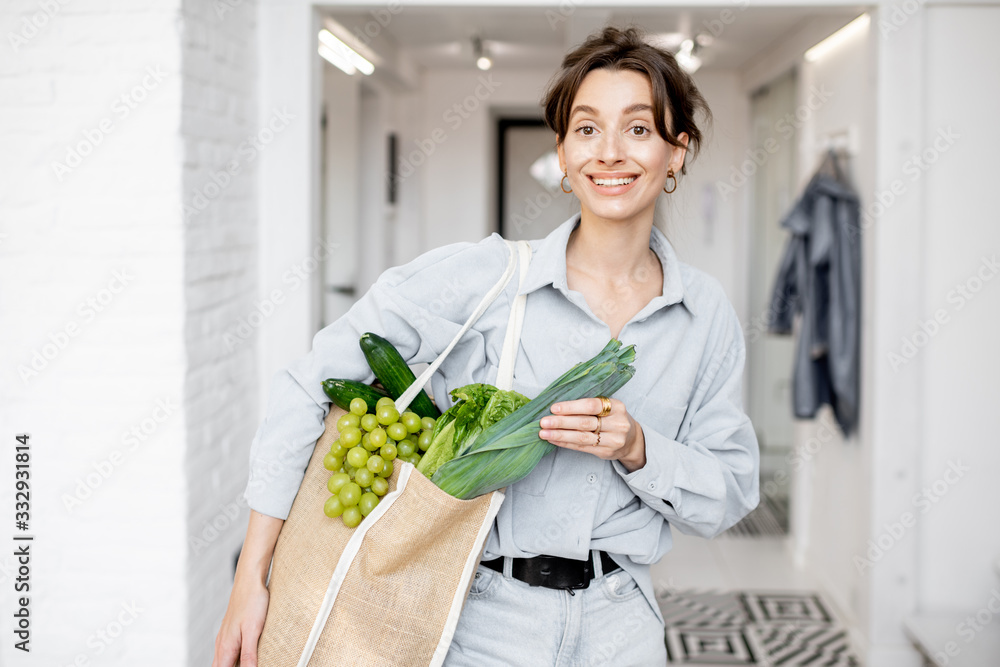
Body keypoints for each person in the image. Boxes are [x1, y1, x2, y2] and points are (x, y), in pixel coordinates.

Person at [213, 25, 759, 666]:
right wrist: (252, 576)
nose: (609, 152)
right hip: (480, 623)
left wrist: (641, 450)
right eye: (586, 129)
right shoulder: (487, 279)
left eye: (638, 129)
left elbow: (729, 492)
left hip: (622, 629)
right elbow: (309, 384)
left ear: (678, 152)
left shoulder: (704, 315)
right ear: (562, 154)